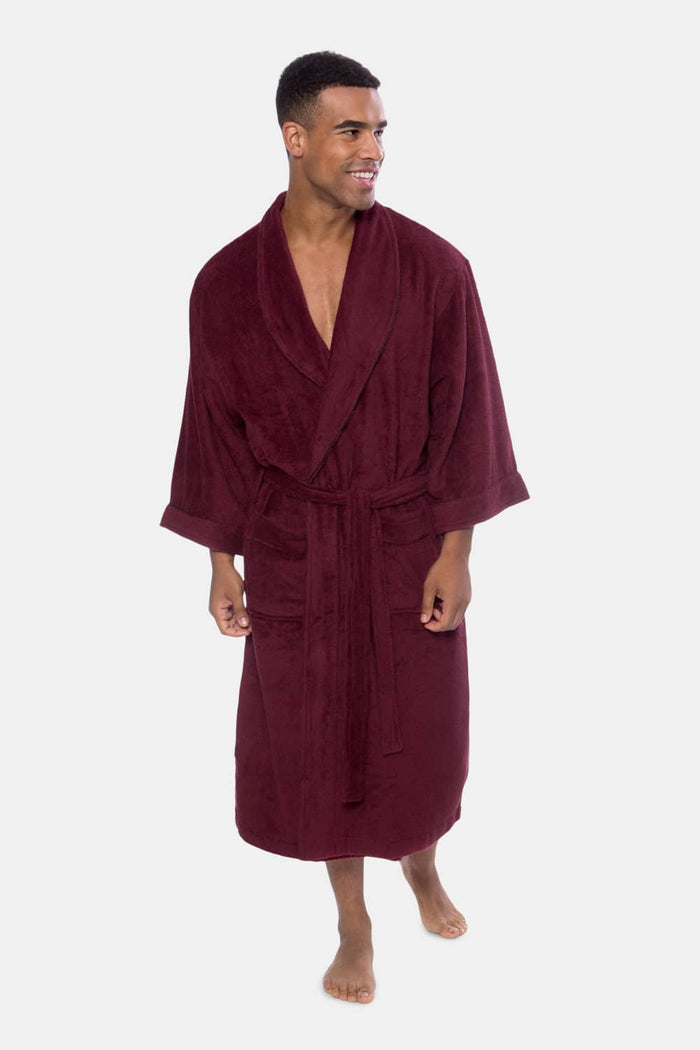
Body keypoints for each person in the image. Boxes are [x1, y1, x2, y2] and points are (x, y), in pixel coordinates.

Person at [160, 50, 529, 1005]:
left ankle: (423, 865)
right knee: (319, 745)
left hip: (405, 545)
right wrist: (221, 561)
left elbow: (468, 414)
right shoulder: (226, 284)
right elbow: (214, 430)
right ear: (295, 137)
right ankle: (352, 920)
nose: (374, 150)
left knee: (421, 739)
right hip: (298, 550)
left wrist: (457, 549)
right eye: (351, 130)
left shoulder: (434, 268)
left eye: (380, 131)